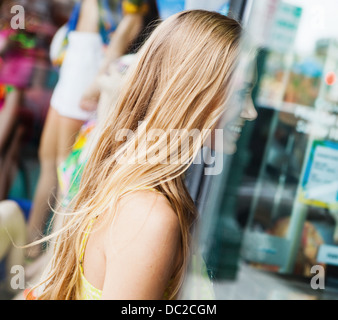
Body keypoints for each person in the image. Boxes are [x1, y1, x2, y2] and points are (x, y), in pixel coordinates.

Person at [28, 10, 256, 300]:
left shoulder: (132, 189)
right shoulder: (150, 216)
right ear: (195, 91)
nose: (251, 112)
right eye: (242, 94)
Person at [26, 0, 157, 259]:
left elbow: (132, 22)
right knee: (50, 161)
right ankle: (32, 251)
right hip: (77, 57)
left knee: (68, 171)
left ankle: (53, 260)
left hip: (91, 61)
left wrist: (100, 76)